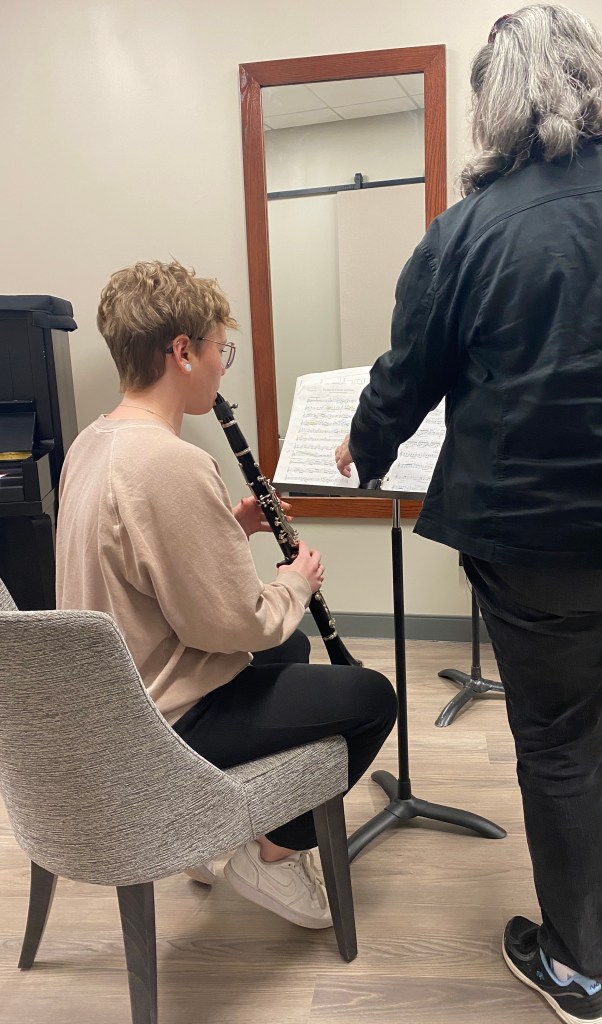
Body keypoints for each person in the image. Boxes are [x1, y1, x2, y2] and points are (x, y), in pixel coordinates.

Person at [335, 6, 602, 1022]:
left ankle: (577, 967)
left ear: (494, 105)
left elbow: (409, 372)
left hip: (532, 549)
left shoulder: (464, 233)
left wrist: (368, 442)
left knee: (559, 745)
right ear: (599, 75)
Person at [56, 259, 397, 930]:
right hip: (161, 724)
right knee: (370, 699)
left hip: (113, 701)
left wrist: (227, 529)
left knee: (291, 651)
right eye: (220, 349)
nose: (222, 365)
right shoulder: (172, 462)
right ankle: (271, 853)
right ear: (183, 352)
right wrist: (296, 582)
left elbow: (142, 569)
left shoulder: (92, 443)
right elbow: (238, 624)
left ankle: (226, 820)